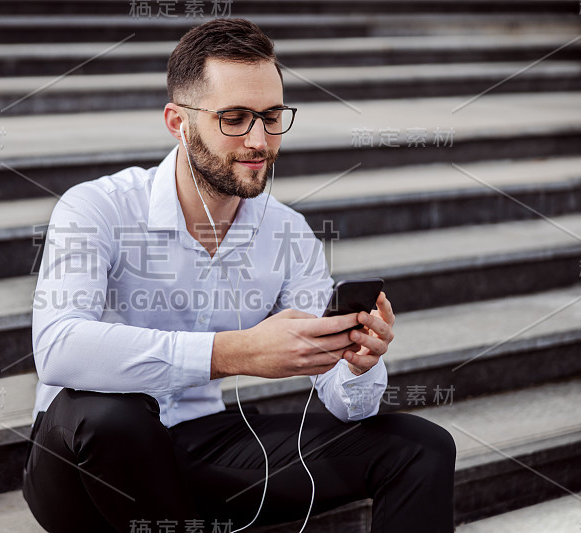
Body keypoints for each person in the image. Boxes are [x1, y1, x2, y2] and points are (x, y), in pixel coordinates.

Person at [23, 17, 456, 533]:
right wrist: (236, 352)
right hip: (80, 463)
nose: (259, 140)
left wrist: (357, 363)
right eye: (235, 117)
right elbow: (58, 347)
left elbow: (348, 405)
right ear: (178, 121)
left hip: (199, 440)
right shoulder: (96, 207)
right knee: (112, 417)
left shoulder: (288, 233)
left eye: (272, 117)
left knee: (422, 447)